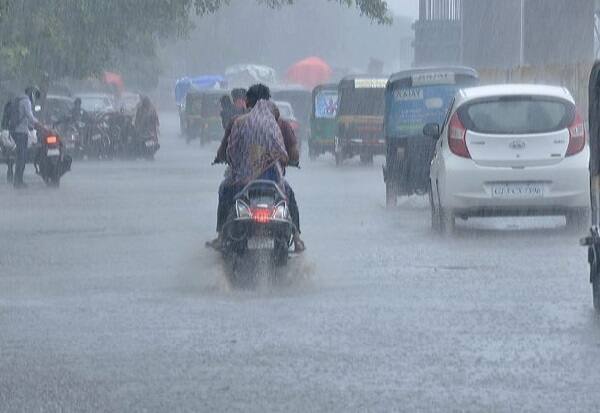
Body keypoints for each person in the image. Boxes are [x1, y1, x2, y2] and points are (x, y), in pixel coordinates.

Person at [211, 84, 305, 252]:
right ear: (268, 101)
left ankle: (220, 237)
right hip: (273, 183)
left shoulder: (238, 122)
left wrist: (224, 158)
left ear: (248, 102)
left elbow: (227, 151)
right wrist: (286, 160)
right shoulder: (280, 124)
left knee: (224, 190)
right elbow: (292, 154)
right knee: (289, 196)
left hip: (242, 183)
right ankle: (297, 239)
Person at [11, 86, 42, 189]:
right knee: (22, 158)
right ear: (31, 93)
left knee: (20, 157)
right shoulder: (26, 101)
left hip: (18, 131)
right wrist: (40, 125)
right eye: (35, 94)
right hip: (21, 132)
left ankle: (18, 180)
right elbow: (30, 116)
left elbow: (25, 118)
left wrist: (32, 125)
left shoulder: (20, 99)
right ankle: (18, 181)